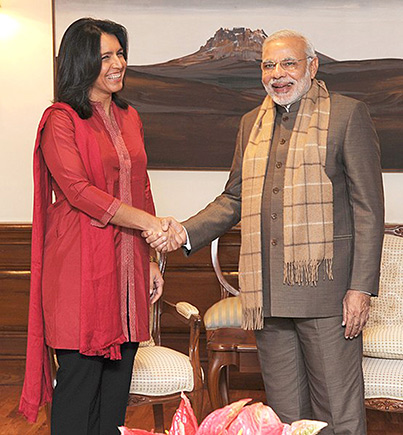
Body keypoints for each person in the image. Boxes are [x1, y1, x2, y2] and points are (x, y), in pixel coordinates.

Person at [144, 30, 385, 434]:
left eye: (288, 63)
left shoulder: (347, 115)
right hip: (267, 297)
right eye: (268, 65)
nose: (278, 74)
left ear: (312, 65)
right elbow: (234, 199)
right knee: (287, 416)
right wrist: (182, 232)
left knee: (338, 415)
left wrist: (360, 289)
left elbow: (368, 210)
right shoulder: (250, 123)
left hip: (328, 295)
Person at [19, 17, 180, 435]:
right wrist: (150, 223)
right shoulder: (61, 119)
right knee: (78, 392)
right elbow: (79, 191)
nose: (117, 64)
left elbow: (140, 187)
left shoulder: (129, 116)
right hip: (79, 272)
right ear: (81, 62)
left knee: (113, 401)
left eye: (120, 53)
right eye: (104, 56)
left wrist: (149, 261)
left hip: (126, 273)